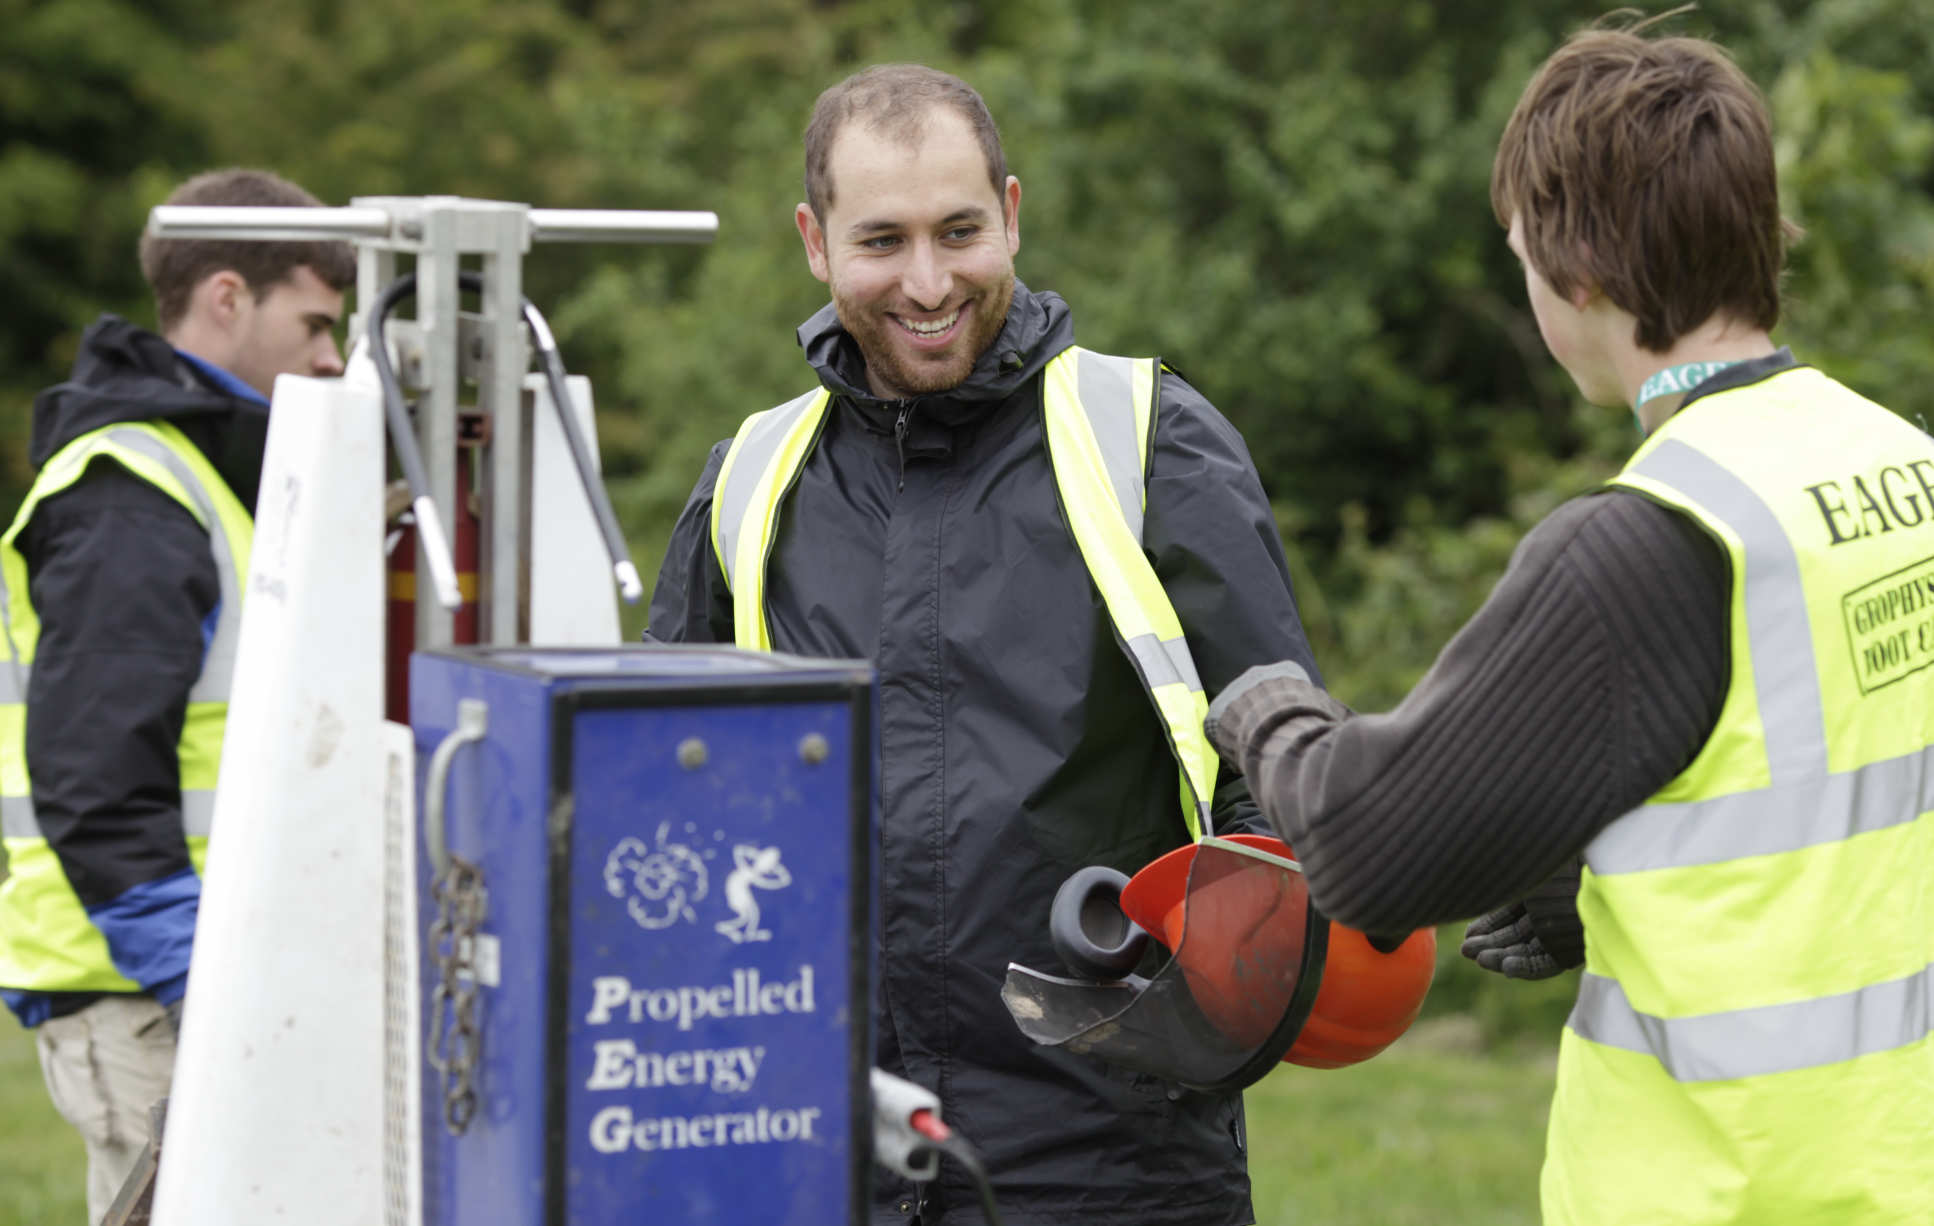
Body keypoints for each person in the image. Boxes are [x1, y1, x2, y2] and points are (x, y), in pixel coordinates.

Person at [1207, 21, 1933, 1226]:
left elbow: (1367, 851)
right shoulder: (1900, 464)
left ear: (1579, 268)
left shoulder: (1652, 536)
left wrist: (1269, 711)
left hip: (1723, 1191)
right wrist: (1598, 878)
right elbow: (1834, 800)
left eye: (1522, 258)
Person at [649, 64, 1320, 1226]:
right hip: (824, 1146)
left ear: (1010, 214)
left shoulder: (1150, 439)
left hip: (1113, 1161)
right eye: (882, 240)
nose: (927, 282)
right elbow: (664, 807)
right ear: (813, 242)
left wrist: (1209, 1000)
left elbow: (1284, 782)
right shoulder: (748, 480)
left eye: (958, 232)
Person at [0, 167, 352, 1222]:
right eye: (316, 323)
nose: (333, 357)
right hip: (148, 986)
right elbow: (94, 776)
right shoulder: (133, 494)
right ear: (228, 297)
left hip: (182, 971)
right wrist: (200, 979)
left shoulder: (203, 477)